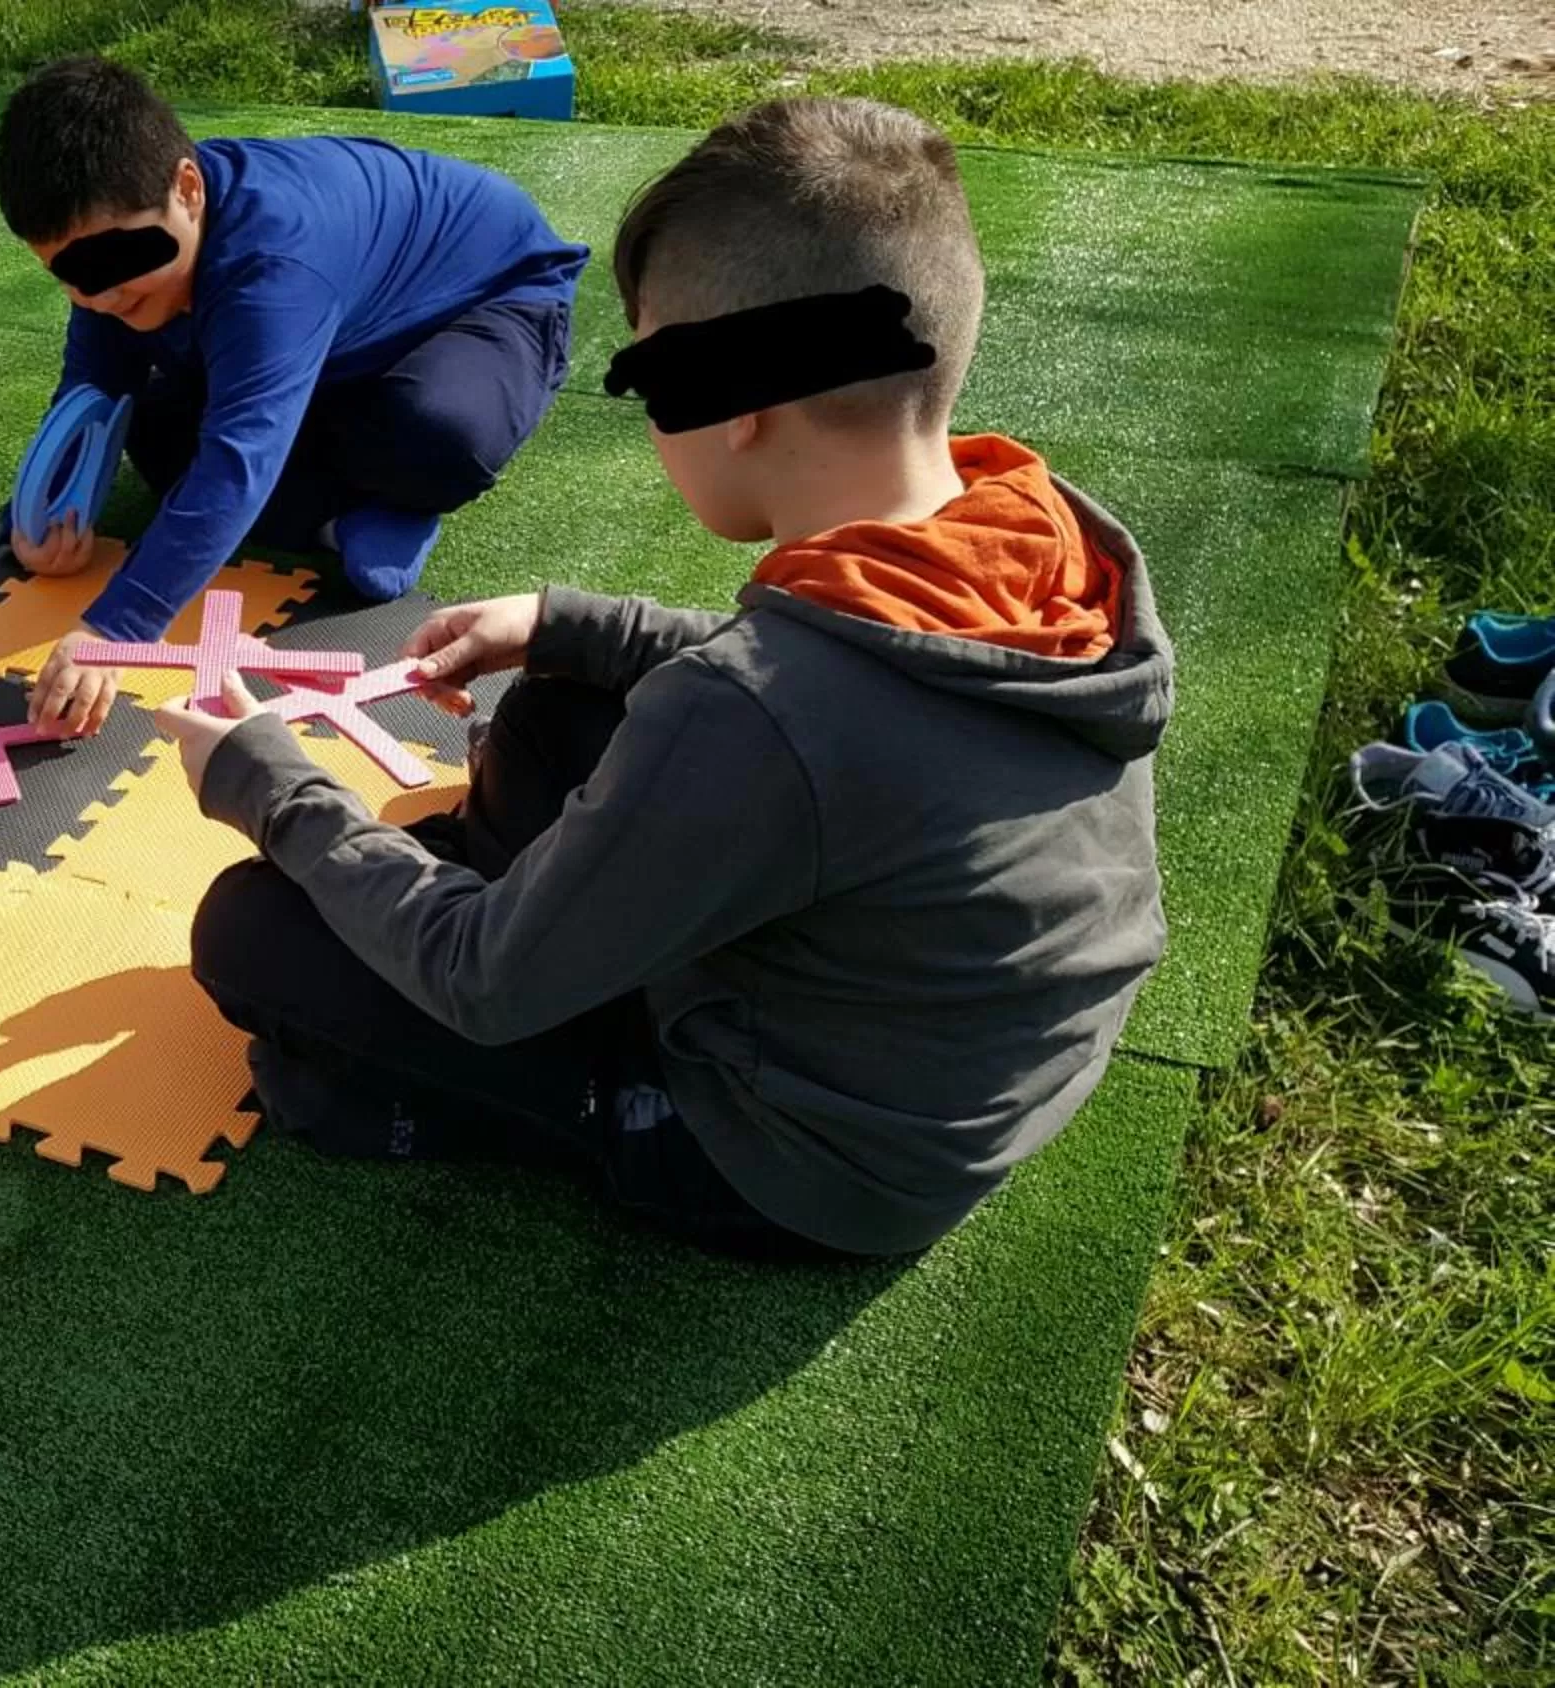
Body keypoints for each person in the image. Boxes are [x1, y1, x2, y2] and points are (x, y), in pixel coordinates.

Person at [157, 96, 1171, 1260]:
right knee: (559, 698)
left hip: (809, 1155)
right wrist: (565, 622)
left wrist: (267, 784)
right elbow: (849, 687)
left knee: (252, 932)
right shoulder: (1032, 528)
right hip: (940, 1049)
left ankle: (499, 1096)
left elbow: (487, 977)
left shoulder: (753, 710)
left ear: (738, 403)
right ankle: (530, 911)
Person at [0, 54, 588, 734]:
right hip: (324, 341)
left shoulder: (273, 264)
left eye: (113, 263)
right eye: (65, 273)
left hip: (480, 302)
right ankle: (343, 520)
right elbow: (94, 392)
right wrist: (42, 517)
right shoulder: (114, 260)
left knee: (441, 438)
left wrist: (117, 628)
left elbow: (239, 457)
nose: (95, 294)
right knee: (154, 436)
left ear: (187, 188)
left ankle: (373, 500)